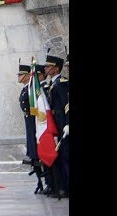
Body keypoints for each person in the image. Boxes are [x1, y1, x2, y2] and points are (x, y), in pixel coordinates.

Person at [41, 54, 69, 199]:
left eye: (48, 66)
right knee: (60, 156)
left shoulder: (61, 83)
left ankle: (66, 187)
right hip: (55, 124)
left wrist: (67, 123)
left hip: (62, 123)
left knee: (64, 156)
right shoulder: (52, 84)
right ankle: (61, 186)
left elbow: (67, 105)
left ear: (56, 68)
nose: (45, 68)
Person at [18, 63, 47, 194]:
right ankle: (41, 182)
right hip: (29, 123)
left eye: (20, 74)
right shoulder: (26, 89)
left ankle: (46, 182)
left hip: (35, 122)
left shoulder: (32, 88)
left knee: (38, 154)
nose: (18, 76)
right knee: (34, 154)